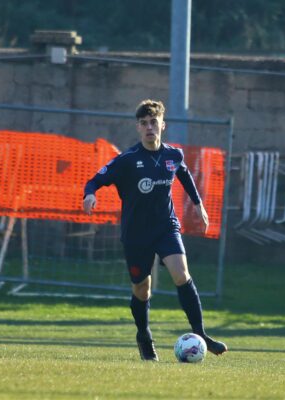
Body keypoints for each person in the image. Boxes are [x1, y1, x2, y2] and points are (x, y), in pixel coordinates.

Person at [82, 99, 227, 361]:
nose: (149, 127)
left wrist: (198, 204)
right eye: (144, 123)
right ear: (138, 128)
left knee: (181, 274)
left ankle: (201, 334)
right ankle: (144, 335)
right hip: (136, 234)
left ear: (163, 125)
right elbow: (95, 180)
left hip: (166, 227)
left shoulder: (173, 155)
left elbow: (183, 174)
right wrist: (89, 195)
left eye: (153, 122)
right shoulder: (127, 160)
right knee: (142, 290)